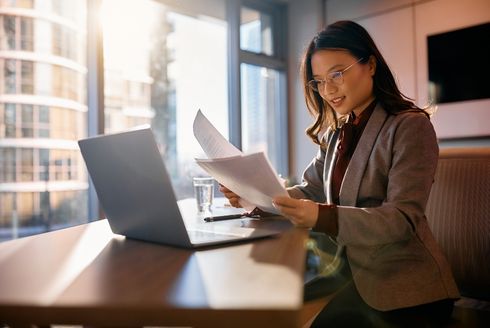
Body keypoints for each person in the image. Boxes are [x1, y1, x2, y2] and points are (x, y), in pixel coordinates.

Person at [220, 20, 460, 327]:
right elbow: (309, 191)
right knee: (265, 308)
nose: (328, 90)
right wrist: (253, 194)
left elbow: (401, 220)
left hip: (406, 286)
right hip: (351, 275)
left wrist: (322, 217)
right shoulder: (337, 134)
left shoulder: (409, 126)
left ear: (370, 64)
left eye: (337, 74)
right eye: (318, 81)